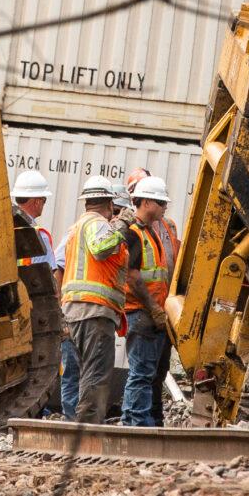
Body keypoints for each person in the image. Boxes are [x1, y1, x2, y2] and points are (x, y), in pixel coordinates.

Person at [59, 175, 135, 424]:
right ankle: (87, 430)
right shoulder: (96, 223)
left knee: (83, 373)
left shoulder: (76, 227)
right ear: (108, 202)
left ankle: (77, 425)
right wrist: (122, 225)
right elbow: (101, 248)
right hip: (94, 311)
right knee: (97, 373)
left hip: (76, 312)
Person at [125, 167, 181, 425]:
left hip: (154, 311)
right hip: (143, 311)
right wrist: (153, 308)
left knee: (150, 372)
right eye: (160, 203)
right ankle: (136, 423)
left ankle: (142, 420)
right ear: (145, 202)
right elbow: (133, 276)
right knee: (141, 373)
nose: (164, 208)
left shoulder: (153, 231)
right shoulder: (135, 232)